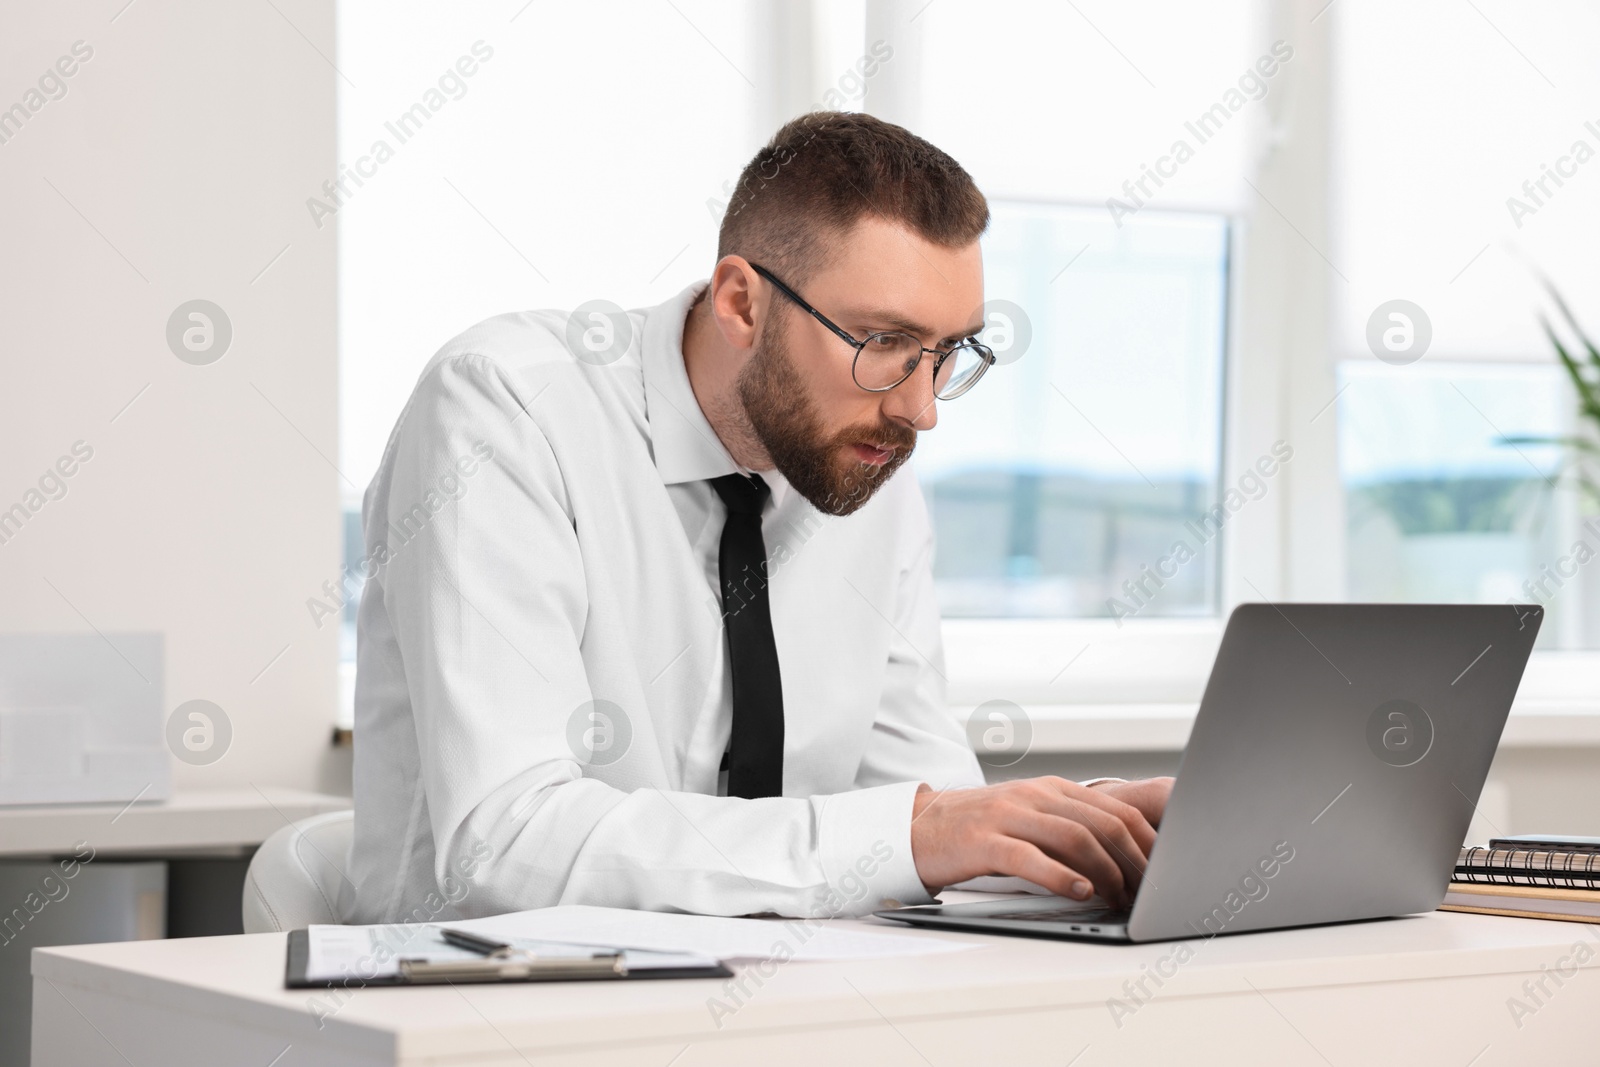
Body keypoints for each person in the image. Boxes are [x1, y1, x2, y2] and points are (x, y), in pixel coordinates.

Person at [345, 111, 1174, 925]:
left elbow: (925, 827)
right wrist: (918, 832)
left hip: (769, 1004)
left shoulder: (862, 459)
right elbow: (505, 843)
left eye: (951, 352)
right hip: (477, 1012)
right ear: (742, 302)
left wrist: (1086, 833)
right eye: (884, 342)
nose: (922, 410)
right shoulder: (508, 411)